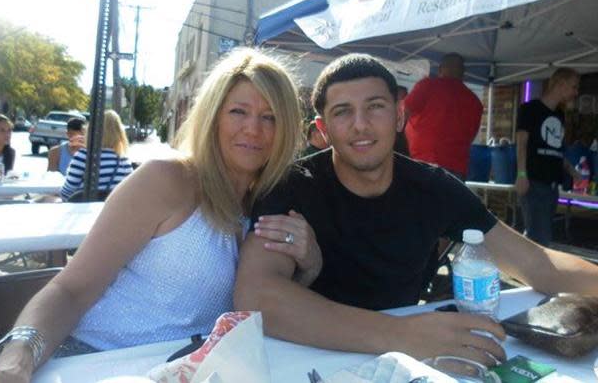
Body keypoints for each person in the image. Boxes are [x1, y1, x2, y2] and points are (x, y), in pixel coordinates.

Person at [0, 49, 321, 383]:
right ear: (213, 116)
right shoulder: (167, 180)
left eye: (270, 117)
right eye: (238, 112)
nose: (253, 129)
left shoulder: (267, 207)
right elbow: (70, 289)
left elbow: (256, 313)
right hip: (91, 363)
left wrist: (309, 267)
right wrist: (16, 361)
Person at [235, 53, 598, 366]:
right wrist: (399, 333)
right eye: (343, 112)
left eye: (375, 106)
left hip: (407, 361)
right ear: (323, 129)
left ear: (399, 115)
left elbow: (536, 263)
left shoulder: (433, 187)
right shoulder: (293, 185)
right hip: (307, 357)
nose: (361, 124)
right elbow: (257, 295)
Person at [516, 68, 581, 246]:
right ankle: (531, 273)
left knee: (538, 236)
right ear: (561, 84)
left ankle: (527, 271)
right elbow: (521, 143)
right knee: (539, 238)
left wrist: (571, 170)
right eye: (573, 87)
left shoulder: (559, 115)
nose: (576, 93)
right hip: (534, 182)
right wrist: (521, 175)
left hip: (552, 186)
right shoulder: (530, 109)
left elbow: (555, 149)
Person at [404, 52, 482, 179]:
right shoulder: (475, 101)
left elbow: (403, 113)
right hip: (458, 166)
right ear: (463, 72)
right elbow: (471, 136)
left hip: (426, 160)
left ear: (440, 69)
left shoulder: (428, 85)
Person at [60, 110, 132, 201]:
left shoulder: (83, 156)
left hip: (83, 212)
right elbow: (129, 193)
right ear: (120, 134)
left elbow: (66, 193)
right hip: (110, 212)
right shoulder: (124, 161)